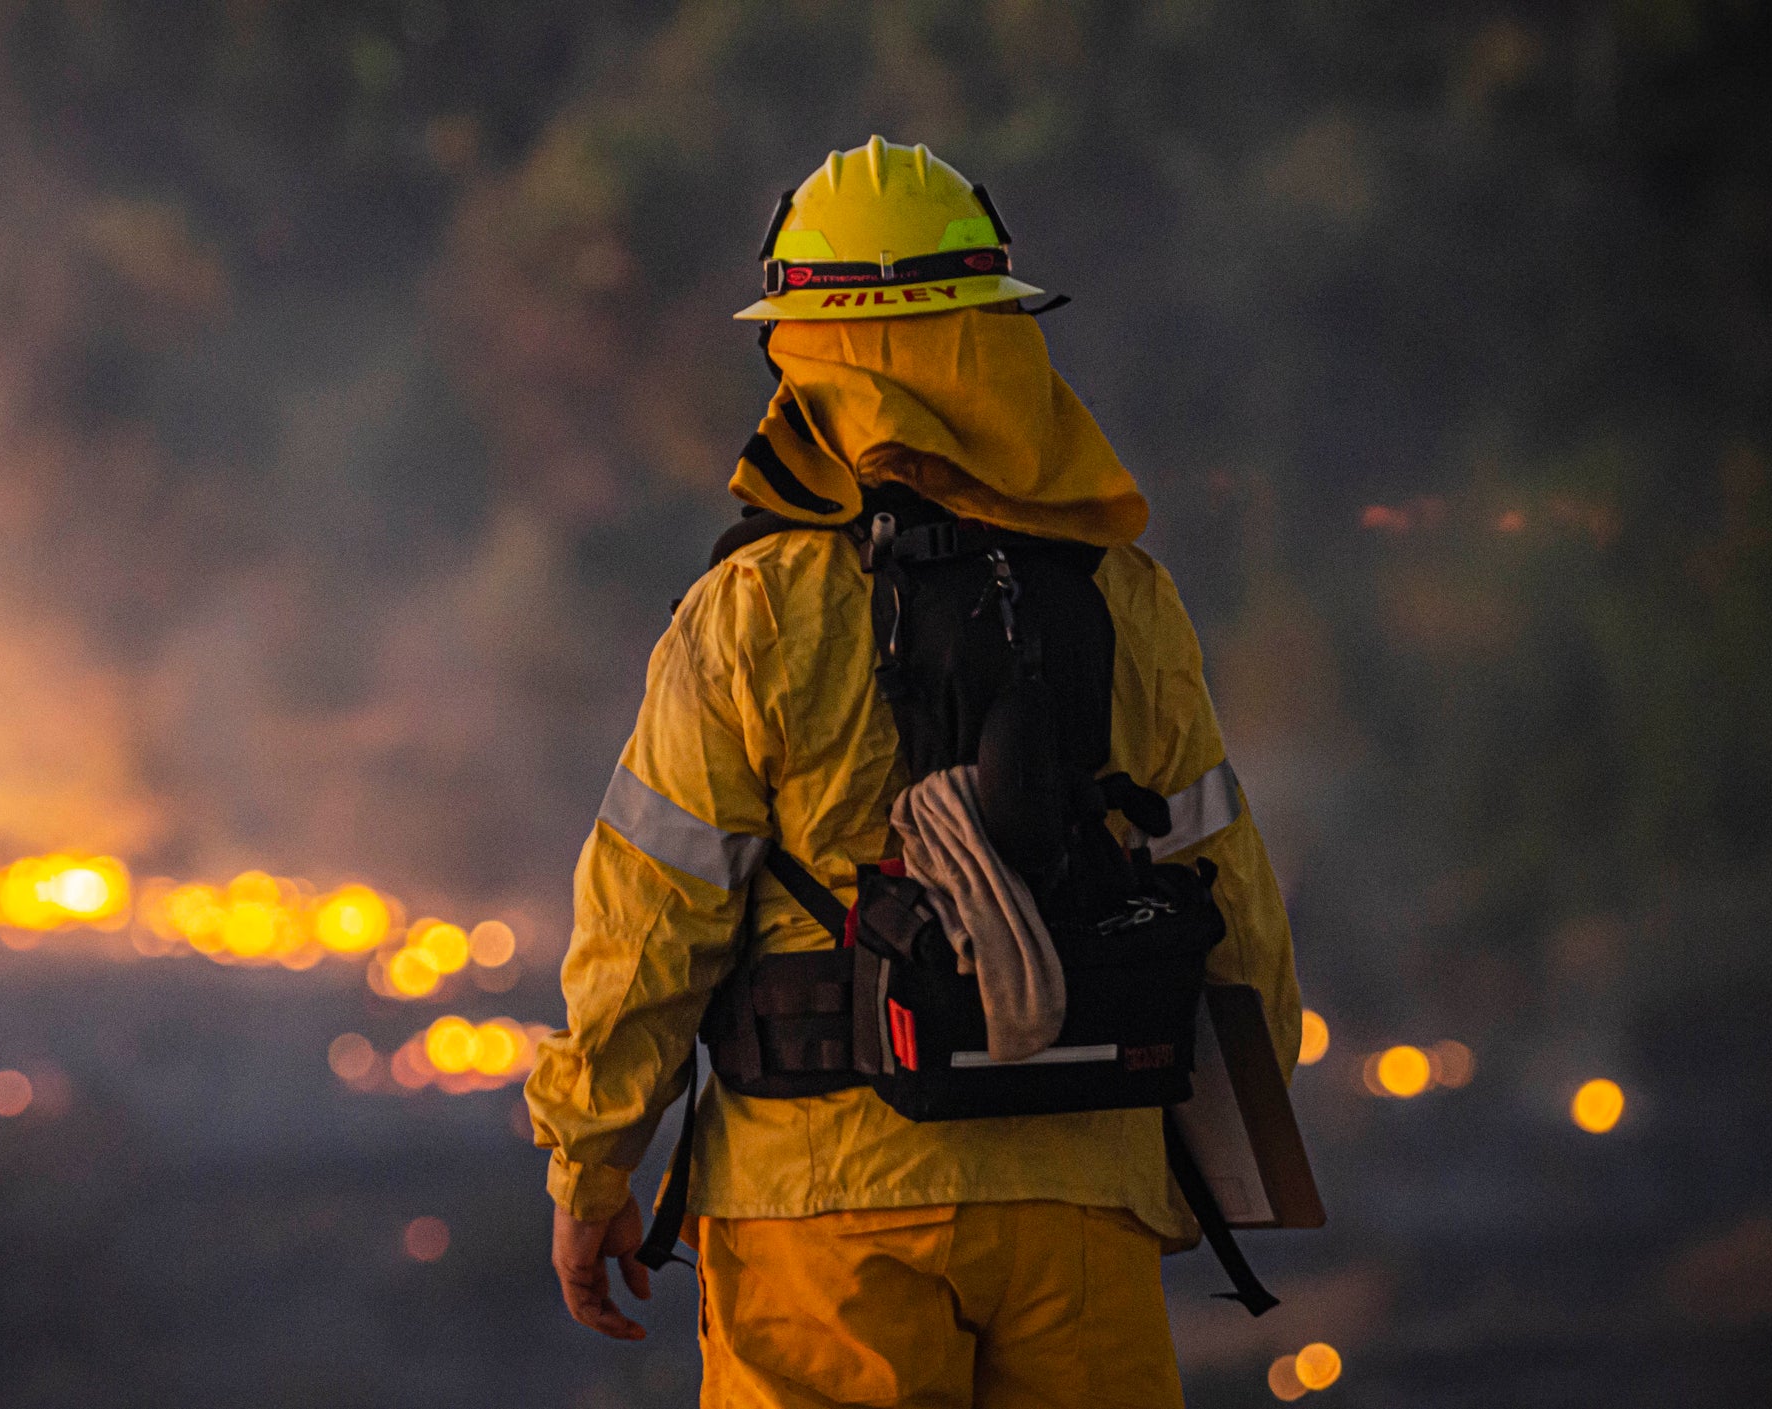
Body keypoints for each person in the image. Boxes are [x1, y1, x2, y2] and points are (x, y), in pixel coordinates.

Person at [526, 135, 1301, 1409]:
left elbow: (652, 922)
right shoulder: (1128, 600)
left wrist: (590, 1168)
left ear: (803, 350)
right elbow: (1228, 897)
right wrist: (1214, 1171)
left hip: (823, 1206)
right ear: (999, 339)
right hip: (1080, 1195)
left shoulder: (754, 609)